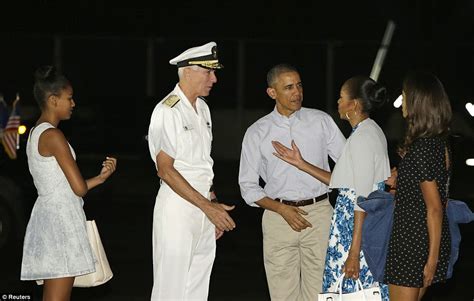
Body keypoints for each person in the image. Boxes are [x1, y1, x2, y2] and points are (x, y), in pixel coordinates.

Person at [271, 75, 391, 300]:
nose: (337, 102)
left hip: (354, 233)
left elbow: (361, 197)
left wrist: (354, 251)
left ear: (353, 105)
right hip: (354, 229)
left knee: (355, 293)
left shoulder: (363, 137)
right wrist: (301, 163)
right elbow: (343, 181)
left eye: (341, 97)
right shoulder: (366, 131)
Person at [238, 63, 346, 300]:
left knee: (320, 292)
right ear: (272, 93)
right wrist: (280, 209)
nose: (296, 92)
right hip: (278, 217)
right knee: (282, 293)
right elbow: (247, 186)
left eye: (299, 85)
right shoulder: (257, 132)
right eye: (288, 87)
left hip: (318, 213)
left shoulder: (320, 120)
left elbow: (348, 164)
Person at [147, 41, 236, 300]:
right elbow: (165, 170)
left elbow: (200, 164)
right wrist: (207, 208)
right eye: (208, 72)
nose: (214, 79)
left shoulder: (203, 108)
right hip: (178, 209)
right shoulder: (167, 110)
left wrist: (212, 203)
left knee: (197, 290)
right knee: (170, 290)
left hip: (201, 208)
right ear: (188, 71)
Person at [20, 65, 117, 301]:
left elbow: (66, 186)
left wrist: (100, 178)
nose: (73, 104)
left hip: (49, 217)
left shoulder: (36, 133)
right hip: (60, 223)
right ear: (53, 100)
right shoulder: (53, 136)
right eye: (69, 98)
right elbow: (79, 188)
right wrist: (98, 180)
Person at [384, 71, 452, 301]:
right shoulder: (438, 143)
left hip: (412, 242)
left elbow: (435, 207)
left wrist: (431, 261)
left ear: (418, 101)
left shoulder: (422, 148)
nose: (402, 100)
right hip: (424, 239)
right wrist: (398, 182)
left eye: (405, 95)